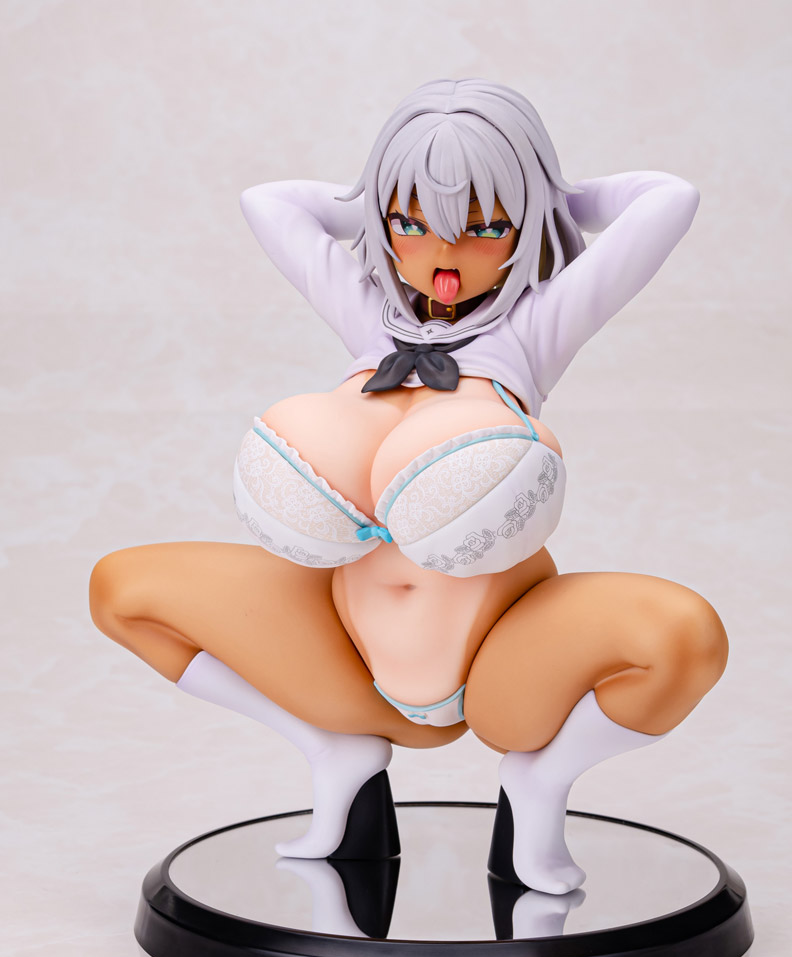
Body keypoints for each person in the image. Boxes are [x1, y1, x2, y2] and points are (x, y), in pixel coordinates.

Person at [90, 79, 728, 895]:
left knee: (683, 638)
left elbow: (669, 200)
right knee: (123, 591)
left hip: (502, 659)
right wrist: (386, 189)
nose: (443, 254)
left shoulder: (535, 328)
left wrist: (546, 192)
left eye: (484, 226)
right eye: (412, 223)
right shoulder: (366, 318)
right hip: (342, 651)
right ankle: (332, 747)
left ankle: (541, 779)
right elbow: (268, 203)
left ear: (523, 227)